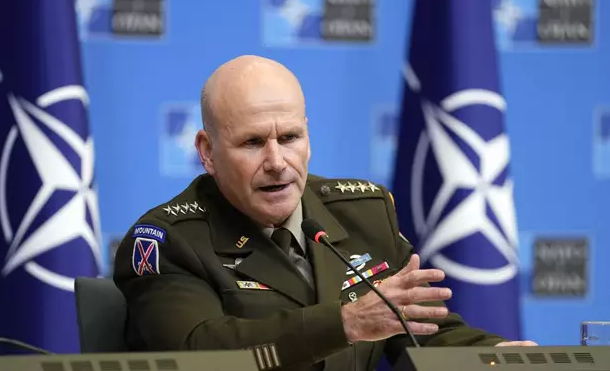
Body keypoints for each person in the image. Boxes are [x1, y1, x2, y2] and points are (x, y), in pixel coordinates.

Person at [112, 55, 536, 370]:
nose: (278, 161)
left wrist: (493, 356)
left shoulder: (363, 212)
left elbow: (419, 330)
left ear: (308, 137)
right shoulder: (169, 241)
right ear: (207, 152)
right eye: (253, 143)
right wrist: (345, 323)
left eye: (290, 137)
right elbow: (200, 355)